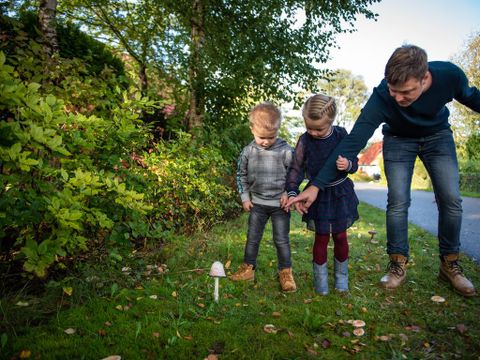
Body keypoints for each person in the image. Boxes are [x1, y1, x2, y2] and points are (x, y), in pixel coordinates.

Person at [286, 44, 480, 297]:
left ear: (425, 78)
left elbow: (472, 96)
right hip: (399, 140)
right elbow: (352, 142)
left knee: (451, 198)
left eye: (406, 92)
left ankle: (450, 264)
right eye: (393, 91)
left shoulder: (450, 76)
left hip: (437, 136)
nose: (398, 99)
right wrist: (315, 186)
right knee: (398, 201)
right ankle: (398, 263)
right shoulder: (382, 97)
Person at [285, 94, 359, 295]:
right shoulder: (304, 141)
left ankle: (341, 280)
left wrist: (348, 165)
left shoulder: (341, 135)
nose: (313, 132)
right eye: (309, 127)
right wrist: (292, 191)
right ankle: (321, 283)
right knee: (321, 237)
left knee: (341, 236)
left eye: (319, 129)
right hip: (318, 196)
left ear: (331, 121)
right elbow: (296, 169)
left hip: (340, 192)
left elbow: (355, 162)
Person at [230, 102, 297, 292]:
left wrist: (288, 192)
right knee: (252, 238)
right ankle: (248, 268)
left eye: (271, 137)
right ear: (252, 130)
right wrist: (245, 197)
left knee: (281, 240)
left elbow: (295, 175)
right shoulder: (248, 152)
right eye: (262, 138)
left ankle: (285, 272)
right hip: (257, 204)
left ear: (278, 130)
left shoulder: (286, 151)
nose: (266, 142)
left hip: (280, 205)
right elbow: (241, 174)